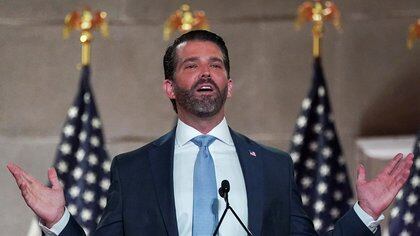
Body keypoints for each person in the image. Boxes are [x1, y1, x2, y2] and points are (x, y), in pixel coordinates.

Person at [8, 30, 414, 236]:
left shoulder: (273, 168)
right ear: (170, 87)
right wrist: (59, 220)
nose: (206, 72)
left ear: (229, 85)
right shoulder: (132, 170)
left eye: (216, 65)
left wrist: (365, 214)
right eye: (192, 65)